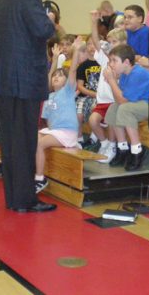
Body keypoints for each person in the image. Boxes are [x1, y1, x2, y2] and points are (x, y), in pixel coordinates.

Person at [0, 0, 56, 213]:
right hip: (24, 80)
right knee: (25, 141)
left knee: (10, 142)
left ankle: (14, 198)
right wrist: (49, 21)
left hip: (4, 80)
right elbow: (41, 30)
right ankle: (25, 200)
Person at [103, 44, 149, 171]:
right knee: (114, 108)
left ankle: (137, 150)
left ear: (126, 62)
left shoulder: (137, 73)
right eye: (110, 61)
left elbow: (123, 101)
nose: (111, 64)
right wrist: (112, 81)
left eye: (114, 61)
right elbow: (118, 100)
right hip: (143, 102)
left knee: (125, 109)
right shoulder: (125, 74)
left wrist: (112, 81)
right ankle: (122, 148)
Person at [36, 37, 84, 194]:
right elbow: (49, 121)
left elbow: (73, 70)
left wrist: (76, 50)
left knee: (39, 144)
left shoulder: (67, 92)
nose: (56, 77)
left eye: (60, 75)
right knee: (31, 139)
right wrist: (55, 59)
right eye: (54, 76)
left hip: (66, 132)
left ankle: (40, 178)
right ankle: (33, 172)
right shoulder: (49, 97)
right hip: (54, 131)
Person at [88, 11, 128, 161]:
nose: (110, 44)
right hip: (102, 101)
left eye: (114, 42)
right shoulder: (105, 59)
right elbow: (96, 41)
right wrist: (94, 22)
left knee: (111, 121)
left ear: (123, 43)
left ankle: (111, 145)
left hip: (113, 102)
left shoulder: (125, 62)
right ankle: (104, 143)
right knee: (92, 121)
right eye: (109, 41)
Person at [75, 36, 100, 148]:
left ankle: (93, 138)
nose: (92, 46)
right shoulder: (82, 66)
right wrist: (93, 94)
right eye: (89, 44)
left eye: (94, 43)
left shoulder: (104, 63)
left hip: (100, 97)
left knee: (96, 110)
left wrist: (98, 95)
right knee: (78, 114)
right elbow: (80, 86)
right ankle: (79, 138)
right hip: (85, 96)